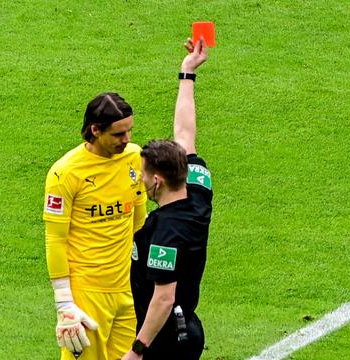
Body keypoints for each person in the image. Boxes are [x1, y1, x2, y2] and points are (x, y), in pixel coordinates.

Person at [122, 37, 212, 360]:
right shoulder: (198, 188)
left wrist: (136, 352)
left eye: (144, 174)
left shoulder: (165, 234)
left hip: (166, 340)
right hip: (188, 324)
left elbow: (163, 298)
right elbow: (185, 135)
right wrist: (187, 74)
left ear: (157, 181)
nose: (141, 180)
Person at [43, 92, 148, 359]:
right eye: (118, 134)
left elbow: (139, 222)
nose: (127, 140)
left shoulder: (134, 158)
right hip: (87, 295)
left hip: (127, 290)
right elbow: (55, 238)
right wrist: (64, 302)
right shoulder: (65, 173)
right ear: (95, 130)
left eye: (129, 131)